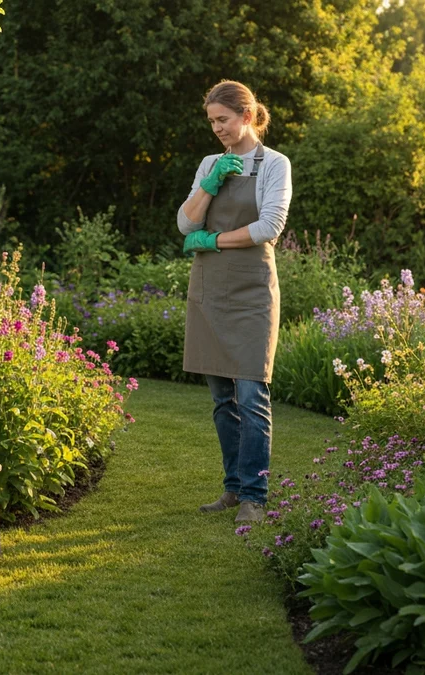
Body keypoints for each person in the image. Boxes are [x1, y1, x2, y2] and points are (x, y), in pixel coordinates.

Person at [177, 80, 292, 523]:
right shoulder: (210, 161)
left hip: (251, 293)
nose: (217, 129)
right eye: (211, 122)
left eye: (222, 120)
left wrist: (217, 239)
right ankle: (231, 489)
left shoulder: (273, 165)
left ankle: (254, 497)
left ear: (247, 116)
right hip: (209, 290)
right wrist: (208, 184)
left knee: (251, 395)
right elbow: (186, 226)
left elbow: (269, 226)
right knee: (223, 399)